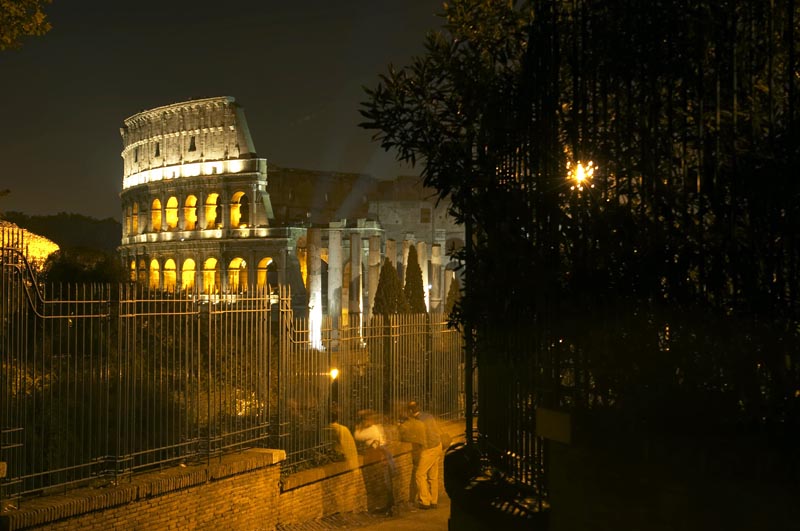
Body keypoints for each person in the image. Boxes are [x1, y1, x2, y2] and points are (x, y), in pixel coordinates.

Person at [399, 400, 442, 510]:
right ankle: (434, 501)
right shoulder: (429, 416)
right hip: (438, 445)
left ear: (410, 411)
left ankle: (425, 501)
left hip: (428, 449)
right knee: (433, 475)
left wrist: (401, 426)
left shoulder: (416, 422)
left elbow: (408, 437)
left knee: (420, 474)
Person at [354, 409, 395, 515]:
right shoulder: (378, 427)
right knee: (386, 481)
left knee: (379, 482)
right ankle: (389, 506)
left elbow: (357, 436)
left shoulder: (371, 430)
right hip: (384, 454)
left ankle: (384, 507)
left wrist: (358, 426)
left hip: (378, 456)